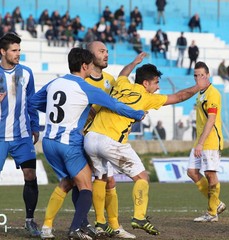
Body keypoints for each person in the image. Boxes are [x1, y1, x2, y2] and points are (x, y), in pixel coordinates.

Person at [84, 52, 208, 236]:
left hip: (91, 137)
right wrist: (198, 86)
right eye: (156, 83)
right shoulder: (147, 97)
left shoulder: (122, 84)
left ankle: (100, 223)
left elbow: (123, 73)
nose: (157, 88)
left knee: (101, 178)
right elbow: (180, 96)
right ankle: (139, 217)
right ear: (146, 83)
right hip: (111, 141)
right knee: (142, 177)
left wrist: (134, 62)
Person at [32, 47, 145, 240]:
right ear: (84, 66)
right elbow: (115, 105)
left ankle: (51, 227)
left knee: (69, 183)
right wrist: (137, 114)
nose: (92, 68)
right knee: (86, 187)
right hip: (69, 143)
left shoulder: (55, 82)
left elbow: (33, 101)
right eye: (91, 65)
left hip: (48, 143)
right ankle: (75, 228)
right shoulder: (85, 87)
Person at [0, 32, 40, 237]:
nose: (18, 54)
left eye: (19, 50)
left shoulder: (27, 73)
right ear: (3, 52)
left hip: (23, 135)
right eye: (14, 51)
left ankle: (30, 220)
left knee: (31, 176)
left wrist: (35, 126)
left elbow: (32, 102)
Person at [187, 61, 226, 222]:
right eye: (195, 75)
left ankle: (211, 213)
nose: (198, 78)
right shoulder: (200, 94)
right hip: (200, 141)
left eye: (201, 75)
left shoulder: (213, 93)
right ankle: (216, 204)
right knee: (192, 171)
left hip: (209, 142)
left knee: (210, 174)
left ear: (208, 75)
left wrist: (201, 143)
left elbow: (211, 120)